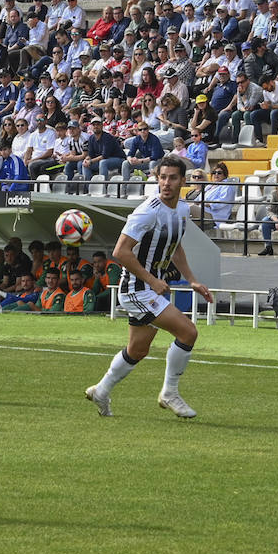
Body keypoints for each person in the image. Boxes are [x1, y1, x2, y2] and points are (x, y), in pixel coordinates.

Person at [85, 155, 213, 419]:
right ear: (157, 178)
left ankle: (102, 390)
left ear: (183, 181)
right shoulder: (148, 211)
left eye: (172, 178)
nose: (166, 183)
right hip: (136, 289)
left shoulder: (182, 210)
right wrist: (152, 279)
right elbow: (121, 252)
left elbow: (174, 246)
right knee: (188, 332)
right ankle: (169, 393)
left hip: (148, 289)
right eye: (162, 177)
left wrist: (191, 279)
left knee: (138, 350)